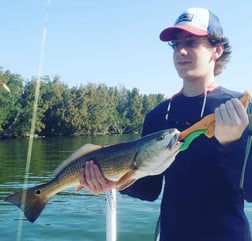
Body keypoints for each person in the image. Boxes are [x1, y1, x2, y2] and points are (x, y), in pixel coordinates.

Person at [79, 7, 252, 241]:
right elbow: (150, 189)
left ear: (217, 50)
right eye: (175, 44)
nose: (181, 51)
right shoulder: (159, 115)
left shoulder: (242, 109)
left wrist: (232, 144)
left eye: (191, 42)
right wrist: (113, 182)